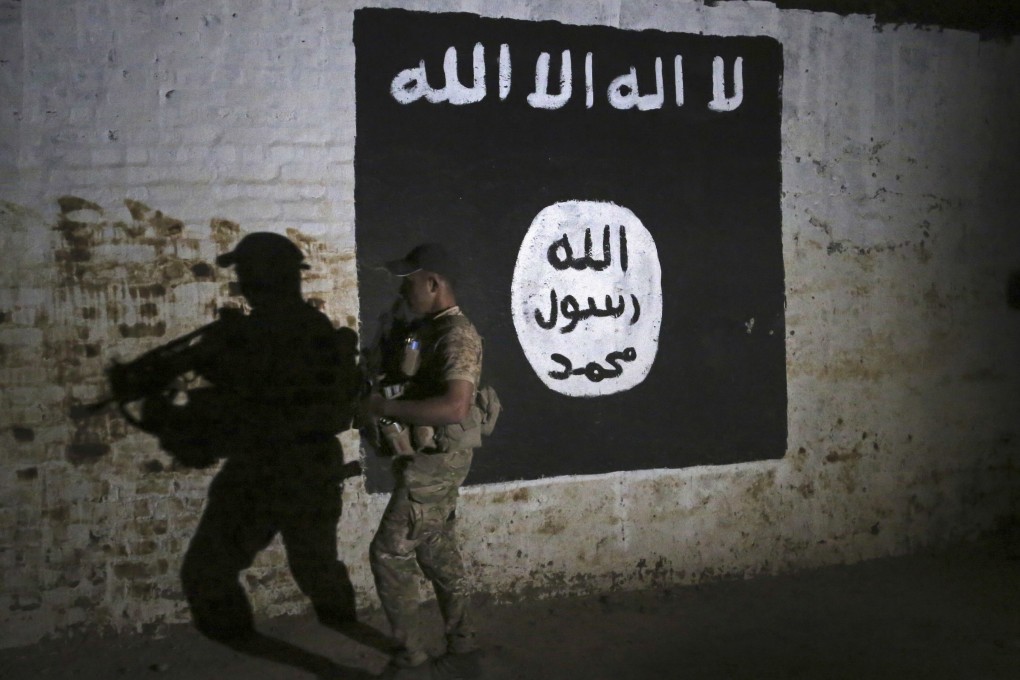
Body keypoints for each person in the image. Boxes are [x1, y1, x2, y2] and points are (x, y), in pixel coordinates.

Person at [167, 232, 360, 641]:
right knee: (313, 566)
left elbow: (252, 391)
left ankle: (363, 643)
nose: (242, 282)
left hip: (278, 466)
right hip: (292, 465)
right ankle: (364, 640)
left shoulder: (270, 331)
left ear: (264, 276)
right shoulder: (298, 325)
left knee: (220, 568)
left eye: (246, 273)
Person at [361, 243, 483, 678]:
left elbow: (455, 407)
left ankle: (411, 661)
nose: (403, 290)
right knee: (434, 547)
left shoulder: (456, 335)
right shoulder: (430, 329)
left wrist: (385, 409)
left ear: (433, 283)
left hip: (434, 468)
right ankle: (465, 645)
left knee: (389, 554)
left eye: (409, 281)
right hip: (430, 463)